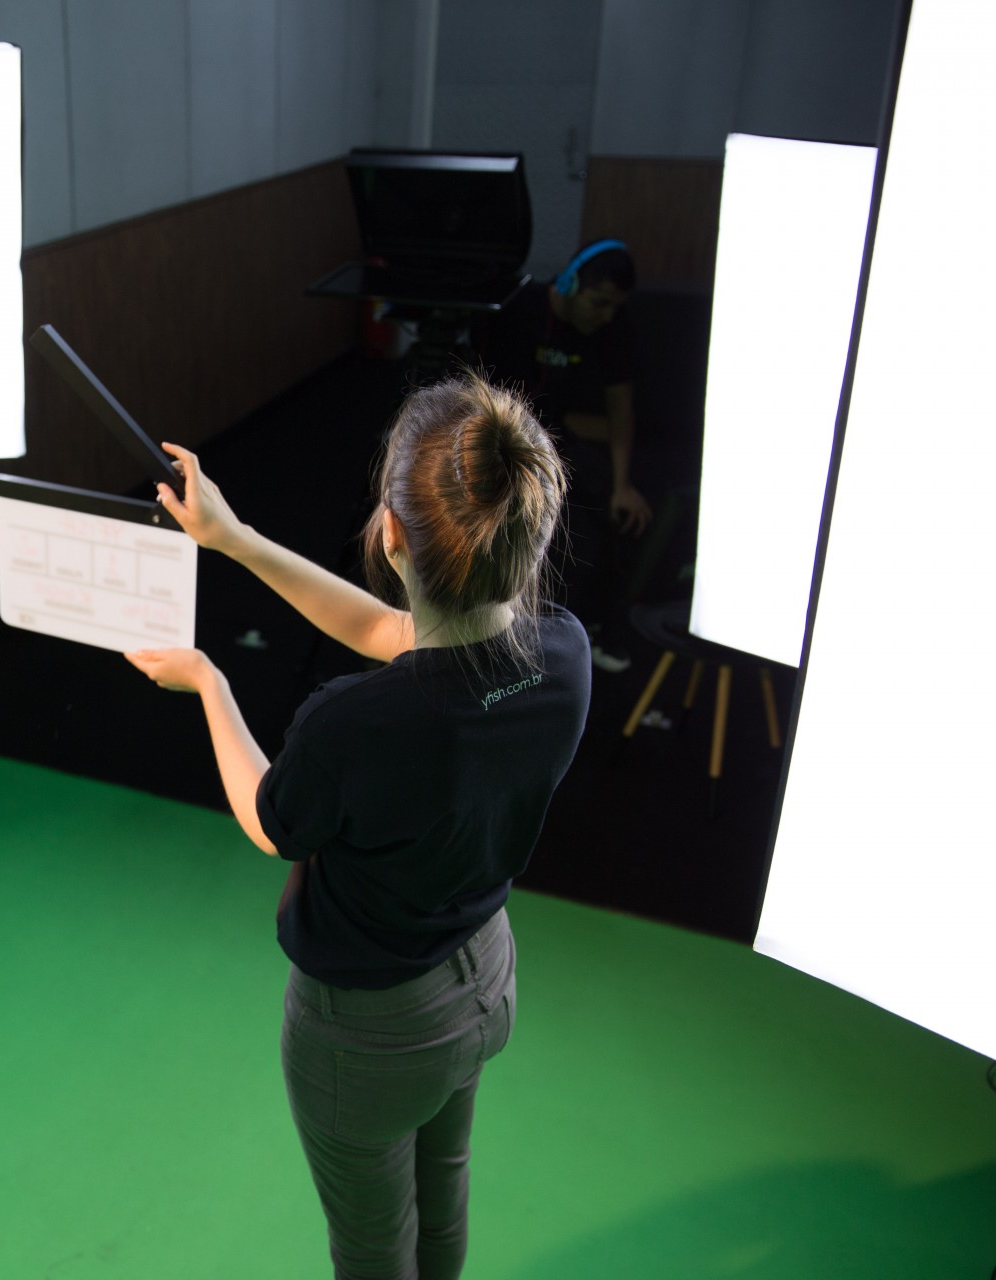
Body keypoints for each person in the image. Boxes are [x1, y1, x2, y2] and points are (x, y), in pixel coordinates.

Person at [124, 374, 590, 1280]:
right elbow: (387, 627)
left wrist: (211, 684)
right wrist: (233, 538)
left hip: (374, 1031)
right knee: (443, 1193)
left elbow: (273, 824)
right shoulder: (563, 652)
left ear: (391, 535)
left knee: (373, 1251)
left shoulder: (356, 724)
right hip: (485, 978)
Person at [482, 238, 651, 672]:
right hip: (513, 436)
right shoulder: (522, 311)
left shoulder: (616, 328)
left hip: (573, 439)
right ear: (570, 283)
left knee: (603, 515)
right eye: (599, 302)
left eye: (615, 306)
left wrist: (622, 486)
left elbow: (621, 410)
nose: (606, 315)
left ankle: (588, 629)